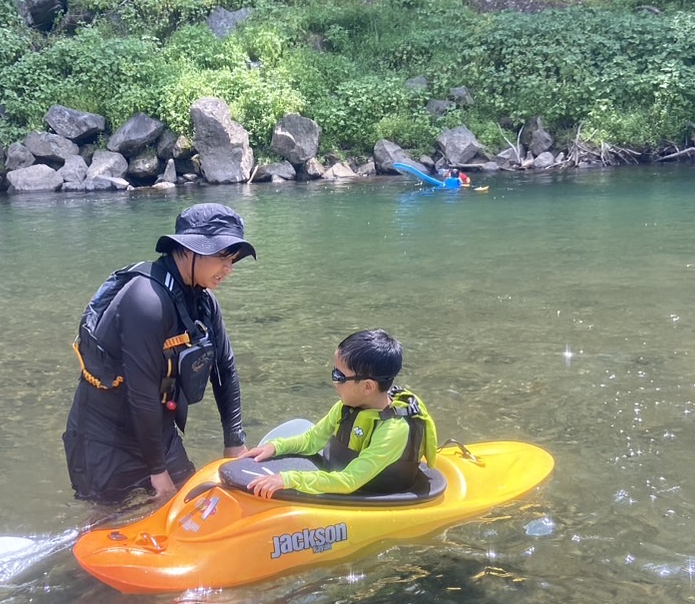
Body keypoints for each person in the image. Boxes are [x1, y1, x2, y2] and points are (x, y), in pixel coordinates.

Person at [63, 203, 254, 505]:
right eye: (221, 257)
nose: (228, 269)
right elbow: (141, 393)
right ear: (189, 250)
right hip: (105, 435)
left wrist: (234, 442)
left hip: (156, 427)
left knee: (188, 504)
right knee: (110, 520)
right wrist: (157, 470)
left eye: (233, 259)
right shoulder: (146, 299)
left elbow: (224, 369)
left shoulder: (203, 301)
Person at [241, 329, 437, 498]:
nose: (334, 381)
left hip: (373, 493)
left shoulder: (393, 430)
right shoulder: (345, 408)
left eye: (339, 376)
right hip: (344, 477)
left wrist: (289, 479)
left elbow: (349, 481)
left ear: (368, 386)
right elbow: (312, 440)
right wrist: (275, 447)